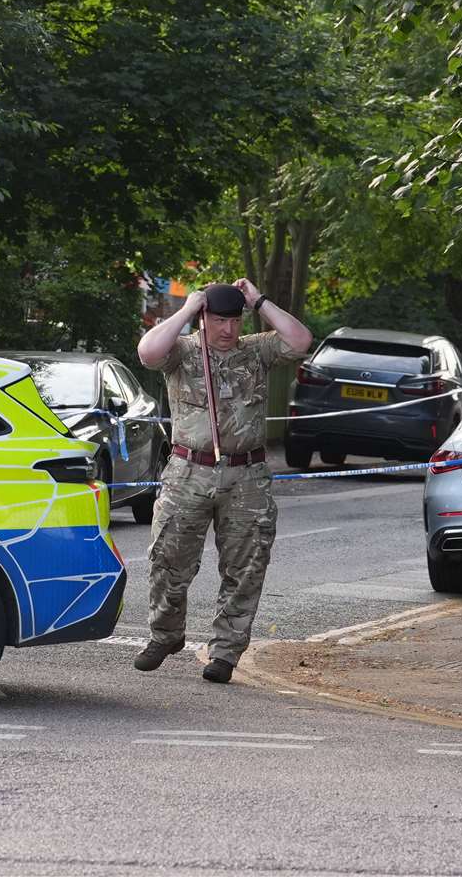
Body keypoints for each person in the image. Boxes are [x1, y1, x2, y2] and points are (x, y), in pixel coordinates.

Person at [133, 279, 314, 683]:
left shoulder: (257, 350)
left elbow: (300, 340)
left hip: (246, 475)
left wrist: (259, 301)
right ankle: (165, 635)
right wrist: (184, 310)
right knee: (168, 558)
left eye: (234, 320)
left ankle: (225, 652)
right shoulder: (182, 352)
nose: (228, 329)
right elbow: (147, 352)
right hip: (187, 472)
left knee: (245, 567)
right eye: (218, 320)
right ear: (204, 319)